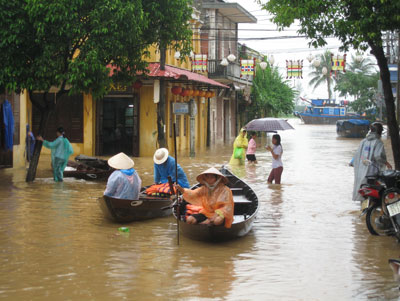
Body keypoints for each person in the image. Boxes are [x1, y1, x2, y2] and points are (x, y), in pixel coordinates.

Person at [351, 122, 392, 202]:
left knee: (363, 191)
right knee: (373, 193)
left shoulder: (363, 141)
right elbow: (378, 156)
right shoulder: (378, 142)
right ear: (379, 131)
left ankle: (364, 209)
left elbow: (357, 155)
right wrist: (386, 163)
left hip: (361, 172)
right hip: (372, 174)